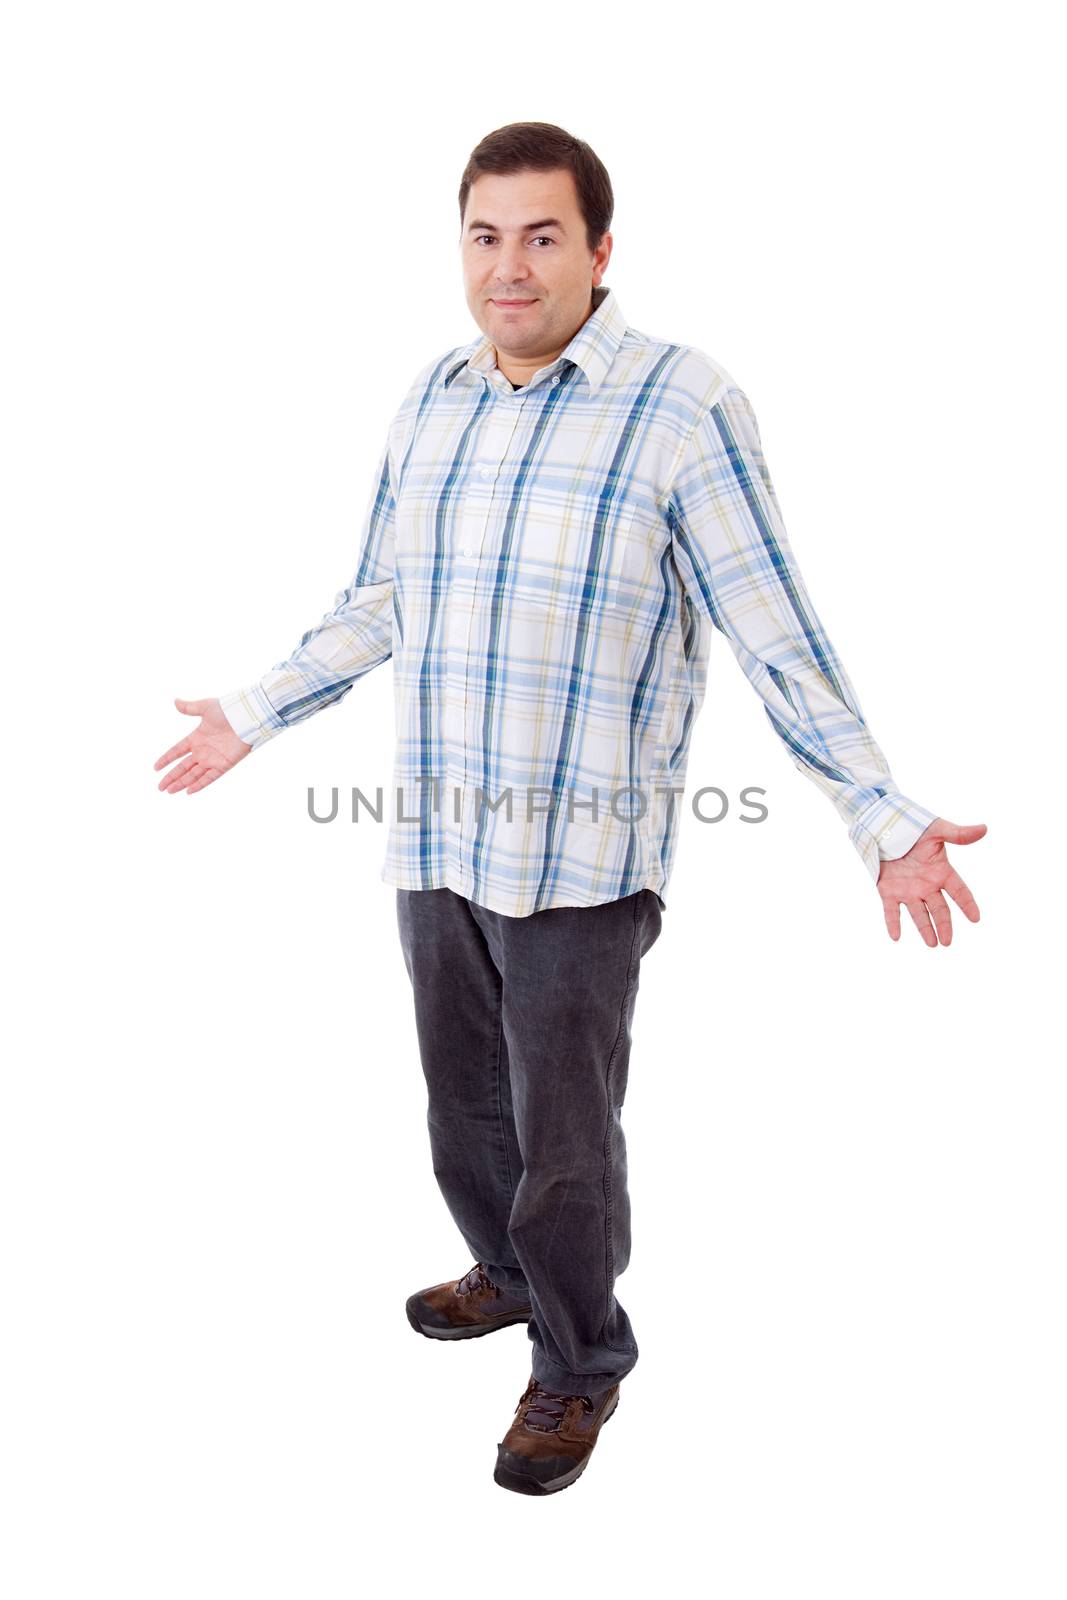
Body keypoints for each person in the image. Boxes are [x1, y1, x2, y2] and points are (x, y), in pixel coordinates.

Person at [154, 121, 986, 1496]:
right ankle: (508, 1275)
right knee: (462, 1112)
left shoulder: (683, 404)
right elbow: (381, 599)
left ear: (602, 251)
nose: (511, 267)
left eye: (544, 236)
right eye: (486, 237)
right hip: (436, 832)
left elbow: (772, 625)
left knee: (565, 1143)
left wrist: (880, 816)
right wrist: (257, 710)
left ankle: (581, 1360)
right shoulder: (430, 398)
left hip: (583, 861)